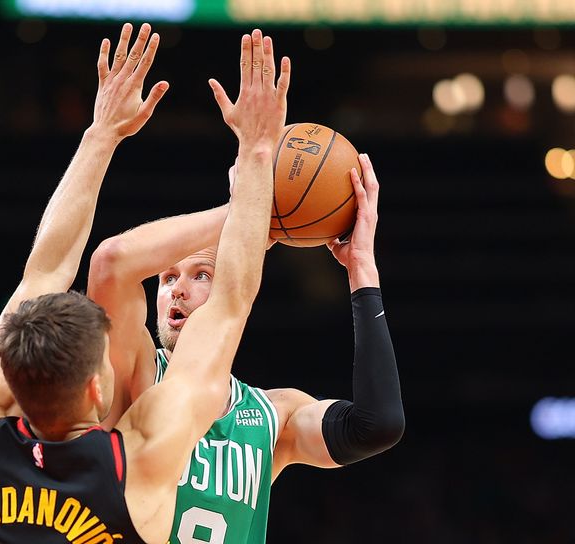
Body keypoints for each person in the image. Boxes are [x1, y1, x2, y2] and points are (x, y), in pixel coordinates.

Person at [0, 24, 291, 544]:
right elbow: (227, 307)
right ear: (95, 388)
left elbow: (43, 271)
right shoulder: (136, 461)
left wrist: (101, 133)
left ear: (11, 378)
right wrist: (258, 156)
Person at [88, 129, 405, 542]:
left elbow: (378, 424)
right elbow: (110, 267)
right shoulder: (137, 375)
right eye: (166, 278)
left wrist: (361, 266)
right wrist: (245, 212)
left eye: (200, 274)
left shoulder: (274, 415)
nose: (177, 289)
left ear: (232, 287)